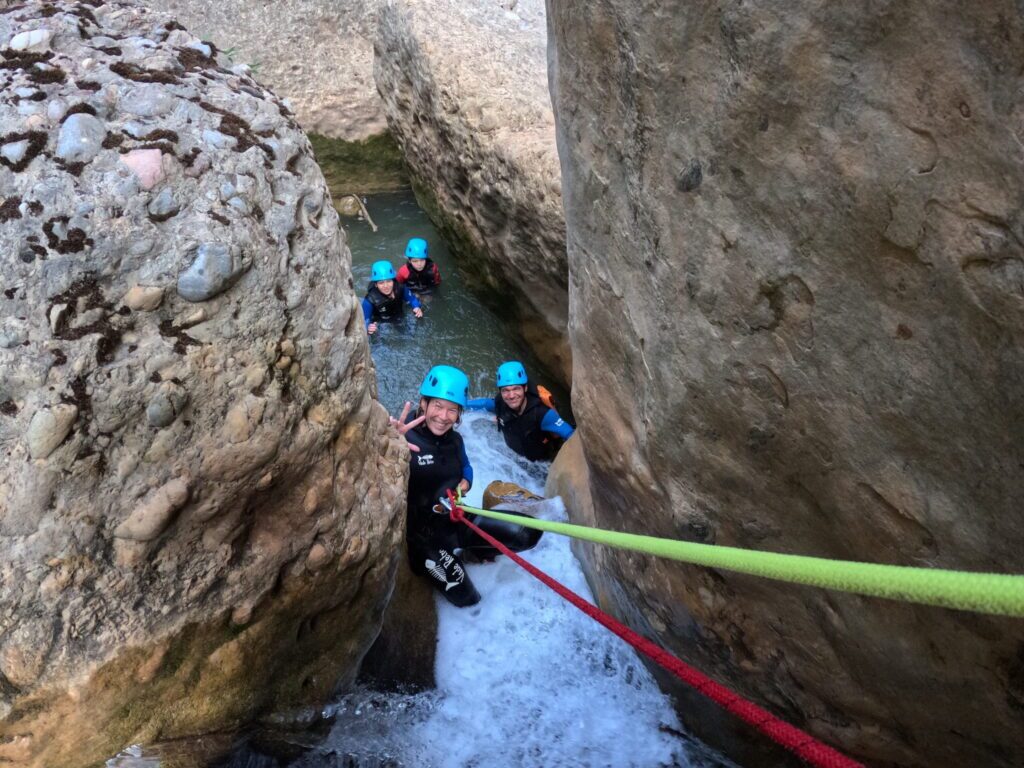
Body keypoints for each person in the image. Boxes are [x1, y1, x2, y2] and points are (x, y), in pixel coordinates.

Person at [390, 365, 541, 607]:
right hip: (424, 538)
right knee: (469, 600)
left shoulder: (455, 440)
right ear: (423, 404)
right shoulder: (404, 439)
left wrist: (466, 483)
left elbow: (467, 468)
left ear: (460, 413)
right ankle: (448, 557)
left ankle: (473, 552)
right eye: (437, 406)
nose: (443, 416)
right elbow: (380, 477)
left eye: (452, 410)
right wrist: (391, 444)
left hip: (455, 519)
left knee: (528, 533)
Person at [467, 361, 574, 461]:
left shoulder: (542, 414)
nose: (511, 396)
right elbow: (485, 404)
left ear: (525, 388)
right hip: (512, 458)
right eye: (506, 390)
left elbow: (570, 433)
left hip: (542, 461)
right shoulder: (500, 403)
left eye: (516, 389)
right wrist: (458, 404)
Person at [362, 260, 423, 334]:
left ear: (393, 281)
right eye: (381, 283)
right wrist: (368, 327)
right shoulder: (369, 300)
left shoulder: (400, 288)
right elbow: (365, 320)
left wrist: (416, 307)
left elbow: (412, 299)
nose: (386, 286)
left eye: (388, 281)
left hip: (398, 316)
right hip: (380, 323)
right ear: (376, 285)